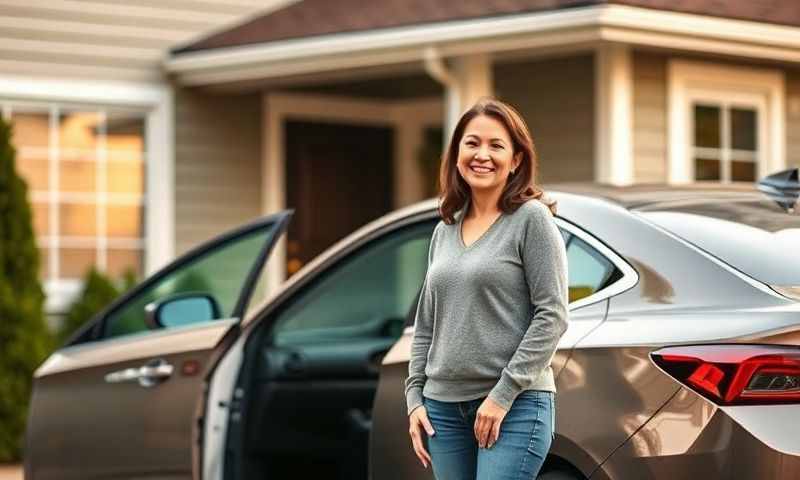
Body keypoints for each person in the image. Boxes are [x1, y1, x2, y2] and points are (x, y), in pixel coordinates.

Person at [404, 97, 570, 479]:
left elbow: (553, 315)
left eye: (496, 145)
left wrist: (502, 395)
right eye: (472, 142)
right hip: (443, 410)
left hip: (513, 406)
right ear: (457, 153)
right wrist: (414, 398)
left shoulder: (532, 219)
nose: (482, 154)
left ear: (515, 160)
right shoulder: (444, 229)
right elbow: (427, 324)